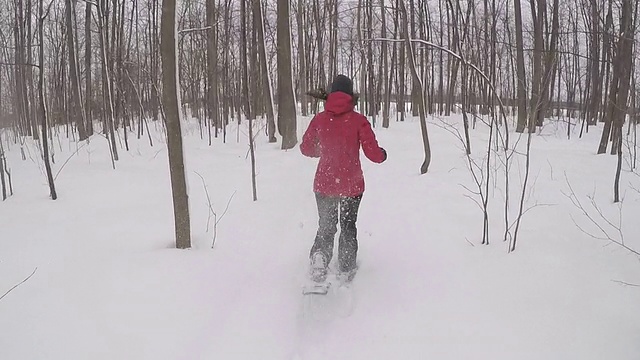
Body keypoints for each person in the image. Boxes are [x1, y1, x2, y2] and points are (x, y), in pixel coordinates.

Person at [300, 74, 387, 283]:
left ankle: (320, 259)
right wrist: (382, 154)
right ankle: (346, 267)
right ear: (350, 95)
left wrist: (324, 151)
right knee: (348, 225)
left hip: (324, 183)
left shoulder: (320, 119)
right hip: (352, 185)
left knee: (327, 225)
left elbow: (306, 148)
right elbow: (372, 153)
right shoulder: (358, 121)